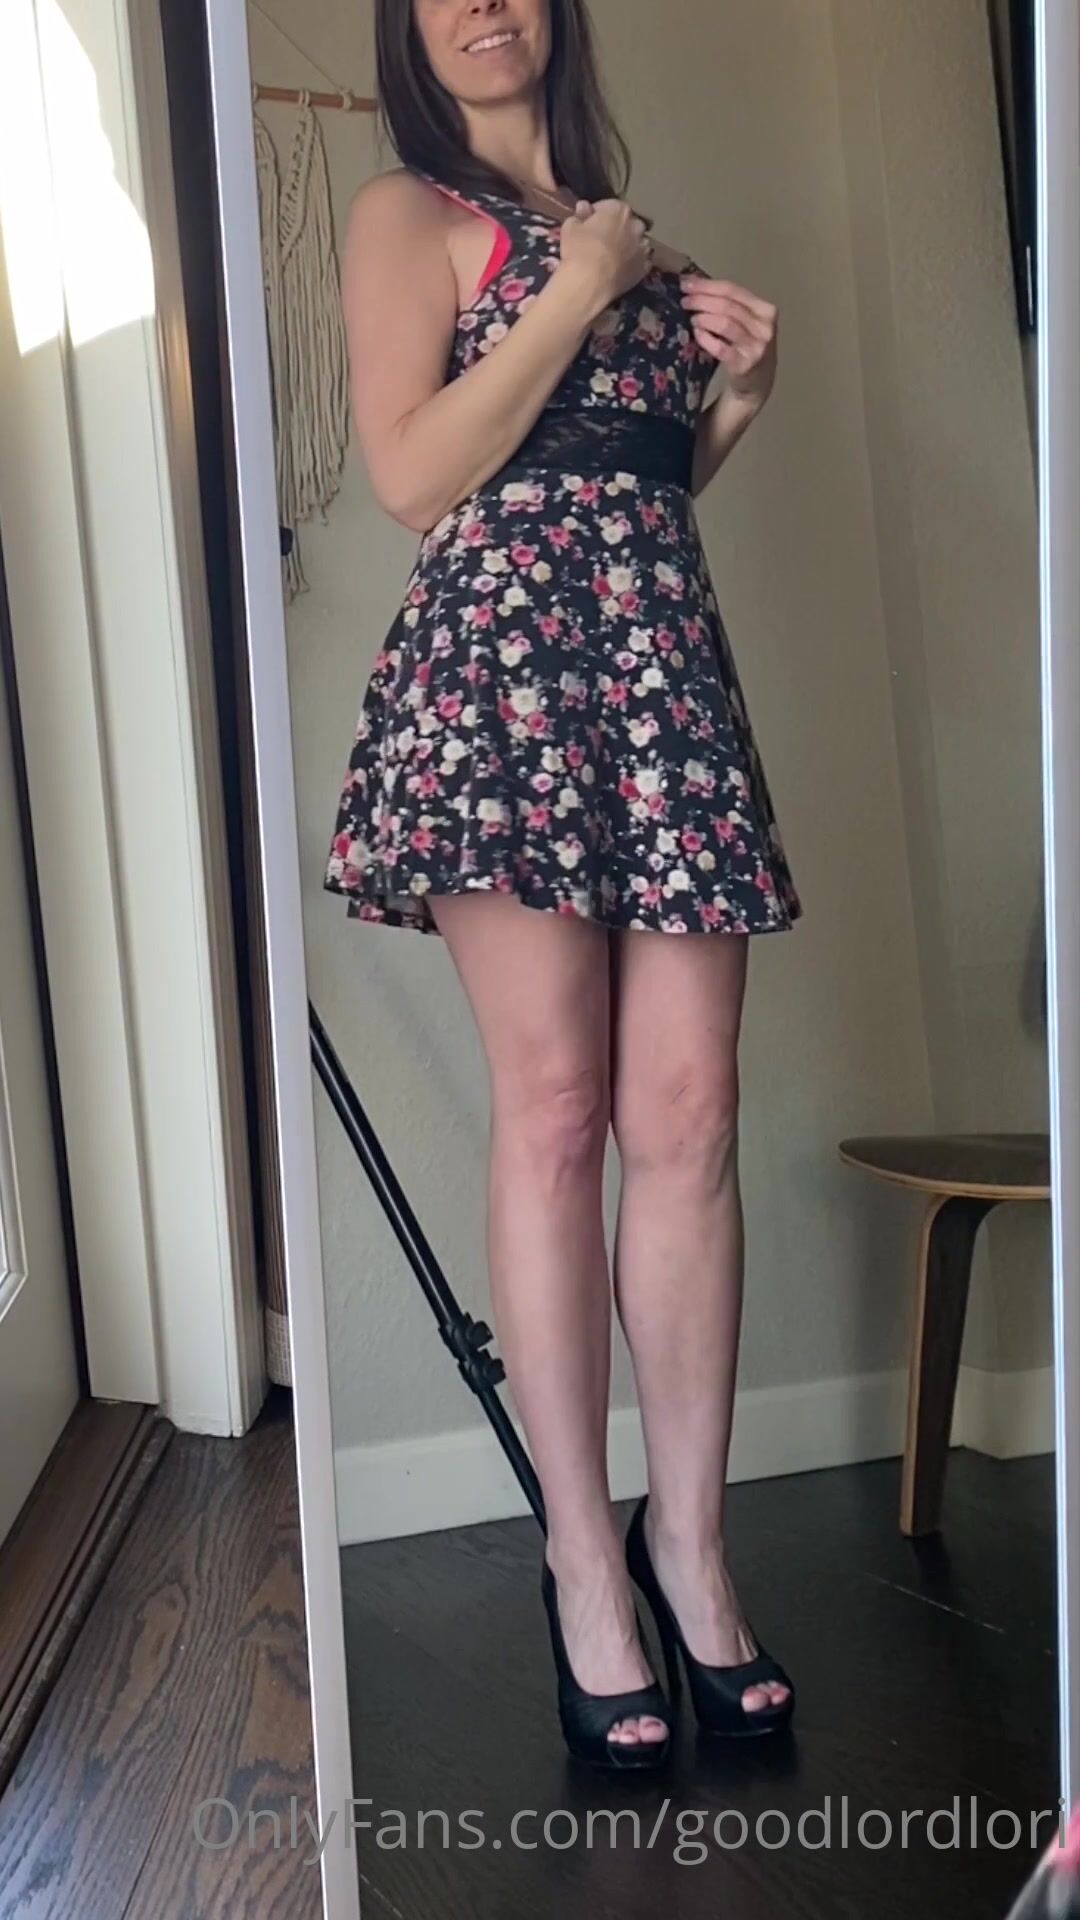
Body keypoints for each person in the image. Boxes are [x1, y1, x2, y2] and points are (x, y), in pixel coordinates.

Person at [324, 0, 801, 1768]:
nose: (481, 2)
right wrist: (585, 285)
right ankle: (583, 1560)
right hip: (501, 683)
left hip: (657, 671)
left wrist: (734, 399)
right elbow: (419, 475)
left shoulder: (629, 232)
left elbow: (626, 487)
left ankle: (693, 1546)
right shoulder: (406, 212)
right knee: (556, 1112)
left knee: (691, 1114)